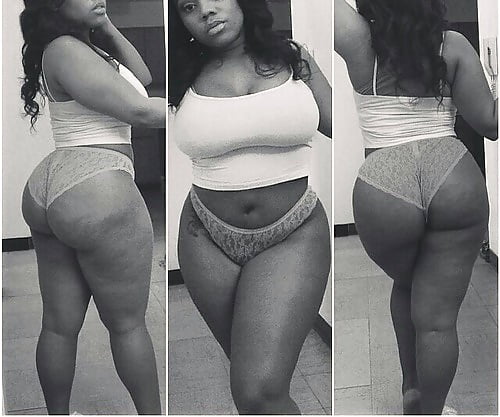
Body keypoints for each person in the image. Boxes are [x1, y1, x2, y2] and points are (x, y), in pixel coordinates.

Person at [334, 0, 497, 414]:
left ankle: (412, 389)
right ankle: (432, 411)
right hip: (452, 176)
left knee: (407, 283)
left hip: (384, 183)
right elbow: (491, 123)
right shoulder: (451, 44)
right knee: (438, 320)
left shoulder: (360, 41)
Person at [169, 0, 332, 414]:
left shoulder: (293, 59)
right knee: (251, 388)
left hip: (293, 231)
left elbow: (340, 124)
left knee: (259, 390)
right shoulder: (181, 74)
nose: (205, 12)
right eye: (188, 6)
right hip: (205, 237)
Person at [19, 0, 166, 414]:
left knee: (59, 326)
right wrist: (196, 111)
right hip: (96, 182)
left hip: (56, 184)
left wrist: (107, 26)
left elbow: (143, 79)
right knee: (128, 325)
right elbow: (140, 109)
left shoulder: (83, 47)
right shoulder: (65, 47)